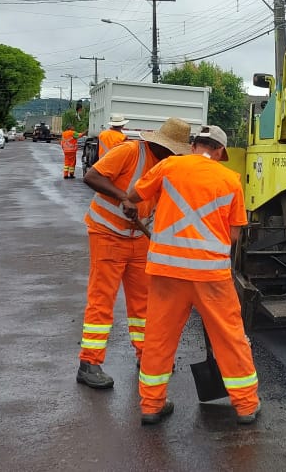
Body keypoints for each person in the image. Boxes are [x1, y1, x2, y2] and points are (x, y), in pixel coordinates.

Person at [125, 125, 260, 426]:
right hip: (210, 275)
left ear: (193, 144)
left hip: (165, 272)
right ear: (221, 151)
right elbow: (235, 235)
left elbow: (134, 194)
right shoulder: (230, 180)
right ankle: (246, 406)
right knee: (230, 337)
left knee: (158, 338)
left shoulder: (169, 165)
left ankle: (150, 405)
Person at [75, 118, 191, 390]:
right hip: (107, 233)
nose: (175, 154)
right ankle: (89, 363)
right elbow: (92, 176)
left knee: (144, 303)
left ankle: (147, 355)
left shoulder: (168, 166)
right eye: (173, 149)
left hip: (138, 237)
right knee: (102, 299)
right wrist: (123, 197)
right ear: (161, 144)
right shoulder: (130, 151)